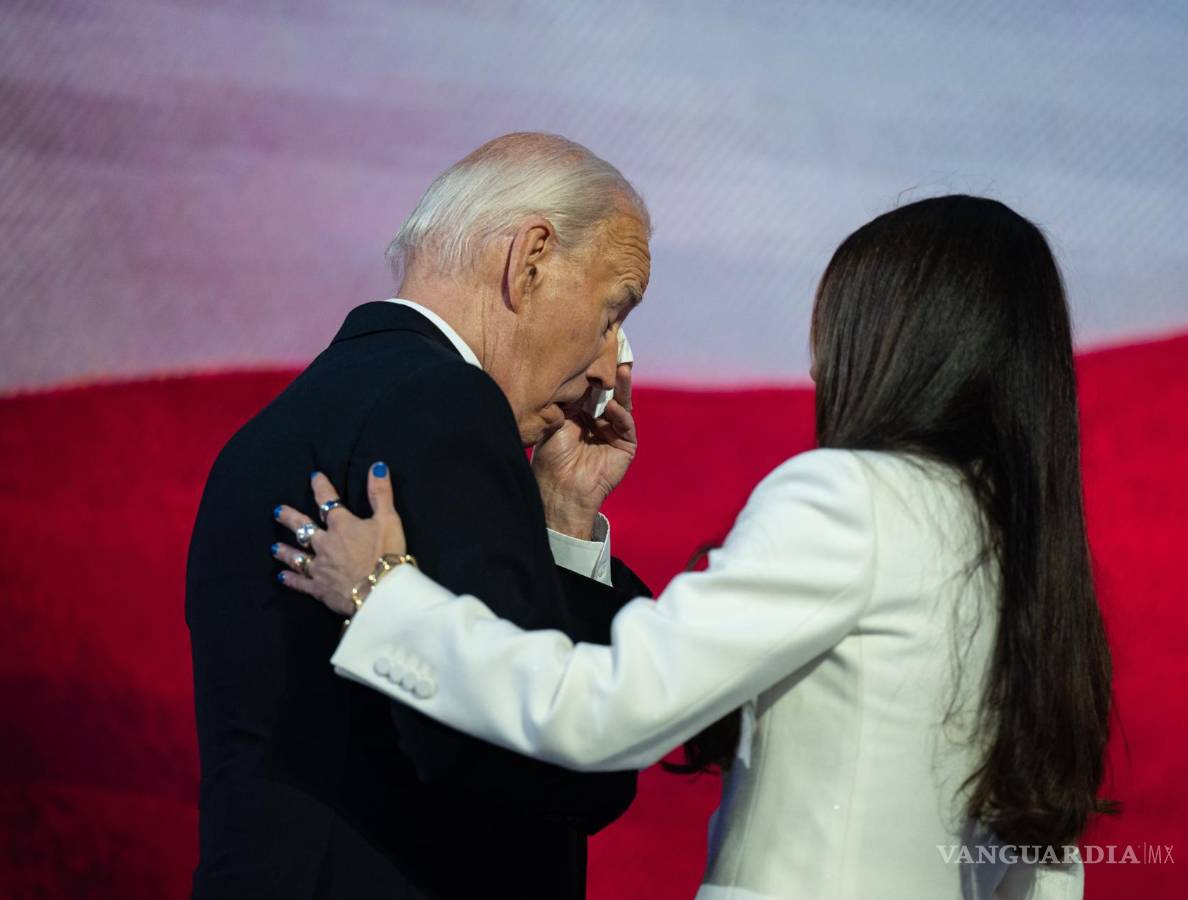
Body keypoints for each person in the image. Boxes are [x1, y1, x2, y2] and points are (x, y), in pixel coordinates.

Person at [276, 195, 1117, 899]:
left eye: (835, 326)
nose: (819, 365)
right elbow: (1041, 864)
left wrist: (385, 597)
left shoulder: (853, 499)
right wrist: (566, 514)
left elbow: (606, 707)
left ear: (894, 339)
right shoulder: (1011, 541)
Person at [187, 132, 653, 899]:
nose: (610, 367)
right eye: (612, 313)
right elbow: (535, 750)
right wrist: (608, 742)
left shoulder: (281, 425)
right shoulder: (446, 401)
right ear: (531, 259)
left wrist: (563, 516)